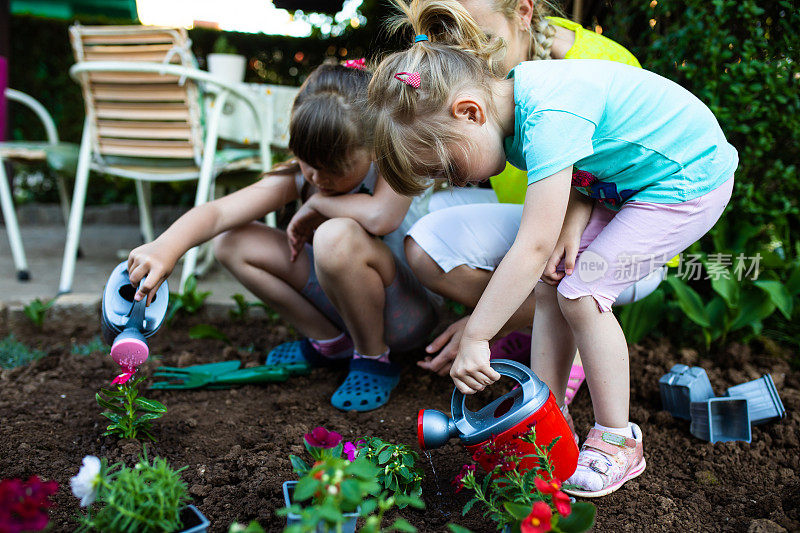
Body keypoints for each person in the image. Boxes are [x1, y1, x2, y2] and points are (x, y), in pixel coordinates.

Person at [368, 0, 736, 496]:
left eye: (448, 168)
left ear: (469, 112)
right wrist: (574, 217)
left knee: (582, 293)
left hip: (685, 179)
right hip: (627, 183)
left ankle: (617, 442)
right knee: (552, 283)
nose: (451, 181)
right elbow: (598, 157)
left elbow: (532, 244)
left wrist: (478, 335)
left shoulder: (545, 113)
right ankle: (549, 419)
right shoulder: (514, 111)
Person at [126, 62, 438, 412]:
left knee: (335, 236)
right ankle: (329, 342)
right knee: (231, 241)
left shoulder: (397, 159)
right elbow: (219, 213)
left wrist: (318, 205)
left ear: (375, 146)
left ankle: (371, 357)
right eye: (308, 164)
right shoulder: (306, 172)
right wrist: (167, 246)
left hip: (404, 318)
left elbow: (382, 217)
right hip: (345, 310)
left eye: (334, 169)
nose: (319, 178)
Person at [406, 0, 665, 407]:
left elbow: (617, 178)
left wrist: (482, 328)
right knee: (429, 234)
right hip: (547, 228)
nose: (473, 67)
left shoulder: (590, 66)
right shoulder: (497, 94)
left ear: (524, 12)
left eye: (480, 44)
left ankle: (586, 374)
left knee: (568, 285)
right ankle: (534, 337)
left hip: (626, 225)